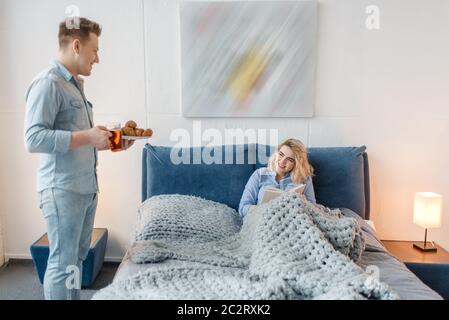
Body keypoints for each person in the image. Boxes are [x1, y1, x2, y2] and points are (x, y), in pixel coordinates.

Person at [24, 17, 133, 300]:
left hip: (85, 189)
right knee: (62, 262)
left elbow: (80, 139)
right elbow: (33, 139)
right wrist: (87, 137)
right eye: (94, 49)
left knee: (75, 261)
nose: (97, 57)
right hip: (62, 190)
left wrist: (113, 141)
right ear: (76, 45)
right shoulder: (48, 84)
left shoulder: (75, 86)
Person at [238, 139, 316, 218]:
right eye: (281, 154)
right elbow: (242, 208)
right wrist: (261, 209)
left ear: (296, 164)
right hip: (263, 220)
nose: (282, 161)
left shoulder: (305, 179)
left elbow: (313, 210)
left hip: (291, 222)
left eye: (289, 160)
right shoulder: (259, 175)